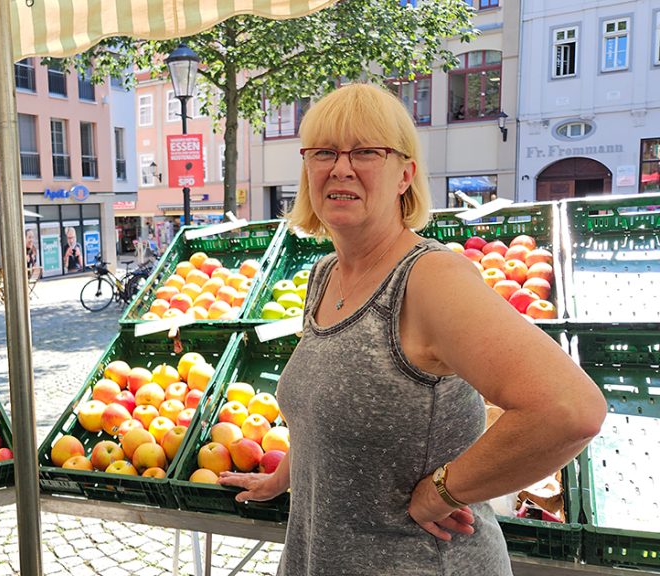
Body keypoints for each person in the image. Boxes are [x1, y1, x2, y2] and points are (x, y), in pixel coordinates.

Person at [217, 84, 605, 575]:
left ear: (405, 174)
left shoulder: (429, 279)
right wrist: (285, 477)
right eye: (324, 152)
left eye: (365, 152)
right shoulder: (326, 275)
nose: (341, 167)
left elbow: (570, 409)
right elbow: (325, 408)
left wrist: (443, 490)